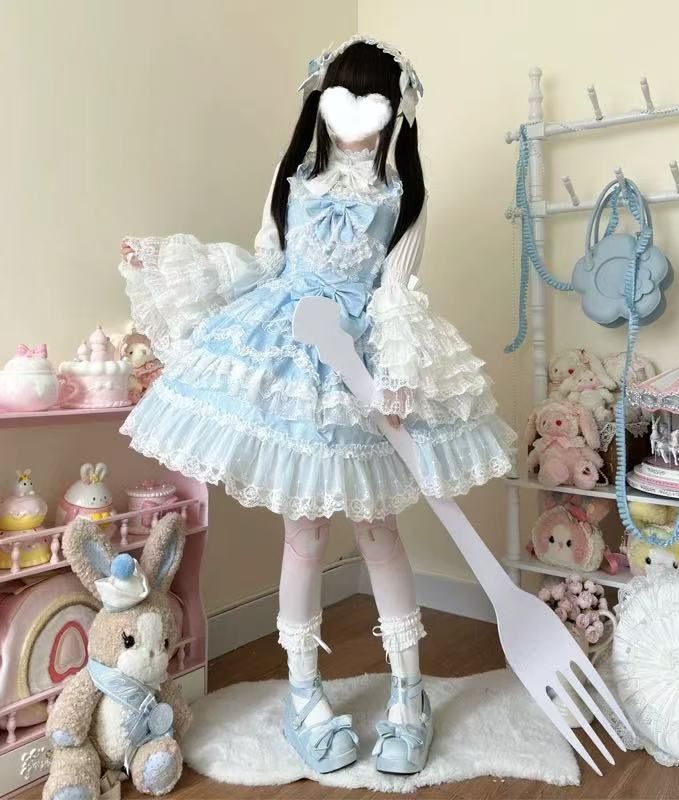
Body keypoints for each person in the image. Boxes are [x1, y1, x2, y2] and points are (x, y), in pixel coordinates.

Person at [119, 36, 514, 776]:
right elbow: (265, 264)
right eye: (342, 95)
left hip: (361, 365)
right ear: (321, 100)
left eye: (372, 98)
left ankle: (409, 693)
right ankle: (303, 694)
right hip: (294, 354)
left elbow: (396, 292)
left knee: (378, 531)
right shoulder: (293, 177)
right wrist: (180, 266)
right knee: (303, 534)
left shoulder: (403, 194)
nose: (353, 112)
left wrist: (397, 374)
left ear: (396, 110)